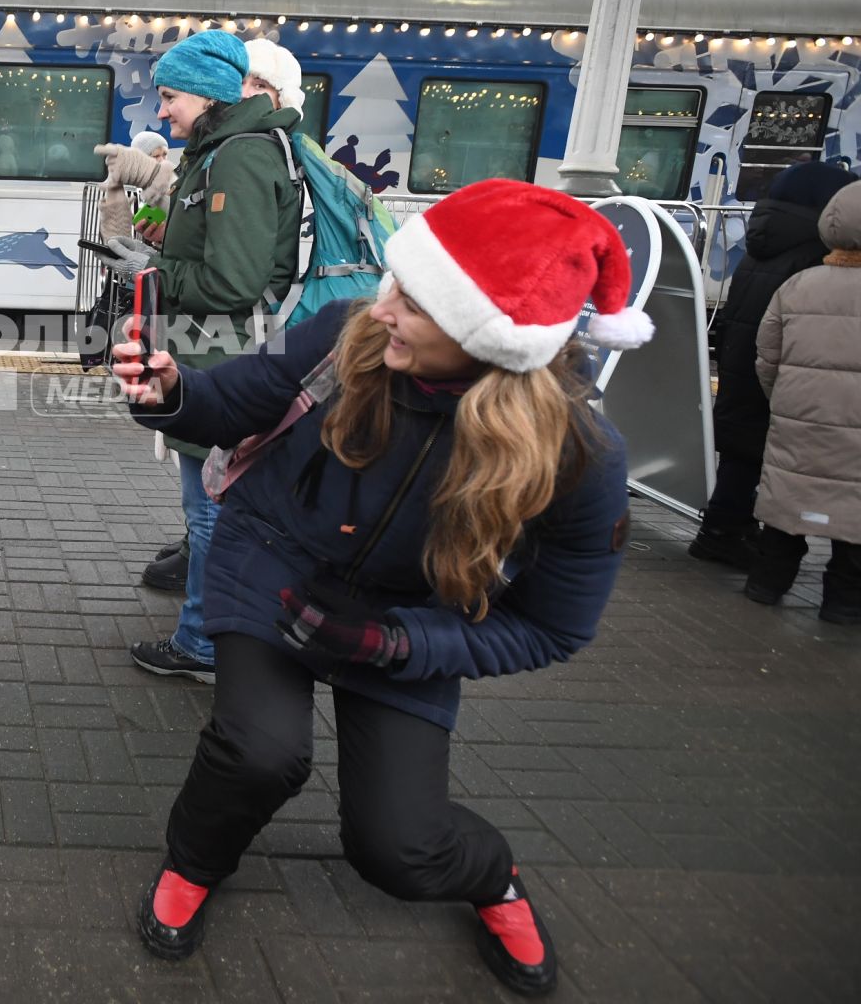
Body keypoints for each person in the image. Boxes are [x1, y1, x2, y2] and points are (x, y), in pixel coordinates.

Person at [113, 179, 651, 994]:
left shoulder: (578, 456)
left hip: (408, 624)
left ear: (492, 337)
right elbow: (239, 399)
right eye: (398, 280)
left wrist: (402, 643)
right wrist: (174, 392)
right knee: (260, 754)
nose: (384, 306)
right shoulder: (349, 336)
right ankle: (193, 864)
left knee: (399, 849)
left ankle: (491, 876)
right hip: (273, 569)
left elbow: (553, 628)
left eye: (418, 301)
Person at [101, 31, 303, 679]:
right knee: (215, 509)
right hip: (216, 359)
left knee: (211, 515)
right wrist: (168, 235)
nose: (163, 113)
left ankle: (203, 646)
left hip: (221, 363)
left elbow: (231, 283)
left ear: (212, 94)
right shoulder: (224, 151)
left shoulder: (239, 157)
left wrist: (155, 270)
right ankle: (221, 637)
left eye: (170, 97)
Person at [689, 159, 857, 568]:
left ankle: (722, 528)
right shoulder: (815, 254)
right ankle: (739, 538)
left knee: (741, 452)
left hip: (744, 361)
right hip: (786, 374)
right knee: (774, 459)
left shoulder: (764, 243)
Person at [745, 179, 861, 621]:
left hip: (799, 421)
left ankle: (764, 586)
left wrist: (787, 401)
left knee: (785, 510)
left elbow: (767, 357)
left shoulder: (797, 285)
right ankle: (843, 607)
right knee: (854, 526)